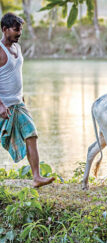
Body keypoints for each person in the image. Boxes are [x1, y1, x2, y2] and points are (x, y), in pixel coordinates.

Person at [0, 13, 54, 187]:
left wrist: (21, 96)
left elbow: (16, 74)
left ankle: (37, 177)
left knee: (31, 134)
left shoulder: (18, 48)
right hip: (3, 106)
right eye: (16, 29)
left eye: (20, 29)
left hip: (18, 104)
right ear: (4, 29)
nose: (19, 33)